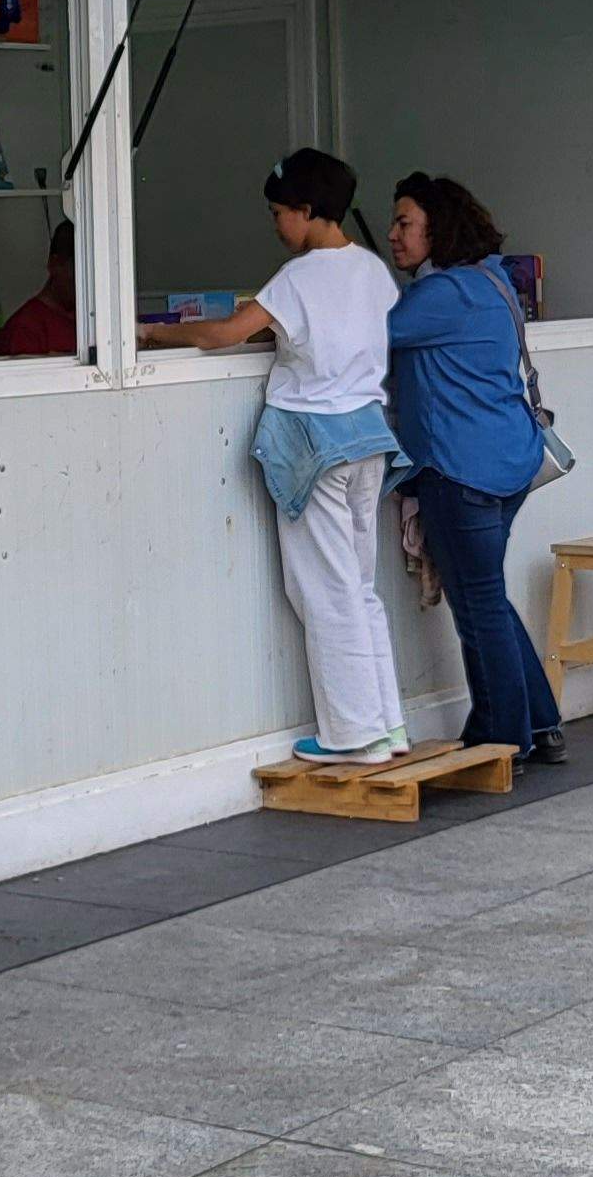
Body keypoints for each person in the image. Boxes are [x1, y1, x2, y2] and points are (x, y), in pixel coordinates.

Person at [140, 149, 411, 767]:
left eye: (279, 212)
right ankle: (388, 725)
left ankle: (351, 736)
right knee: (360, 587)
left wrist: (154, 333)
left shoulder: (298, 277)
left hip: (315, 443)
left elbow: (223, 334)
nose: (274, 224)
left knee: (323, 589)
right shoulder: (371, 270)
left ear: (308, 211)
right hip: (367, 440)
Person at [383, 172, 567, 766]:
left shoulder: (441, 296)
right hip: (509, 461)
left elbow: (361, 335)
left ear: (438, 228)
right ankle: (540, 721)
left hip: (462, 473)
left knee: (478, 606)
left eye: (405, 223)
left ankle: (499, 738)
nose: (393, 234)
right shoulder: (493, 281)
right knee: (487, 596)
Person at [0, 219, 79, 358]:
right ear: (55, 264)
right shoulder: (26, 329)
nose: (81, 282)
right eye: (76, 270)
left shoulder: (92, 321)